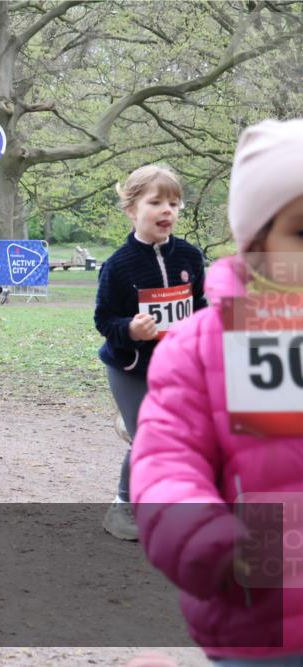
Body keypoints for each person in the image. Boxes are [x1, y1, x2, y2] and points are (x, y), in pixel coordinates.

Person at [132, 119, 303, 665]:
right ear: (257, 244)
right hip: (267, 620)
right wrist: (208, 539)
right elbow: (167, 463)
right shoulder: (205, 349)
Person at [94, 164, 207, 540]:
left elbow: (198, 306)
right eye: (156, 202)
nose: (167, 210)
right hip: (130, 367)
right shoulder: (117, 266)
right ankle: (121, 507)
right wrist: (130, 329)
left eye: (174, 203)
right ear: (131, 209)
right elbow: (104, 319)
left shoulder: (189, 257)